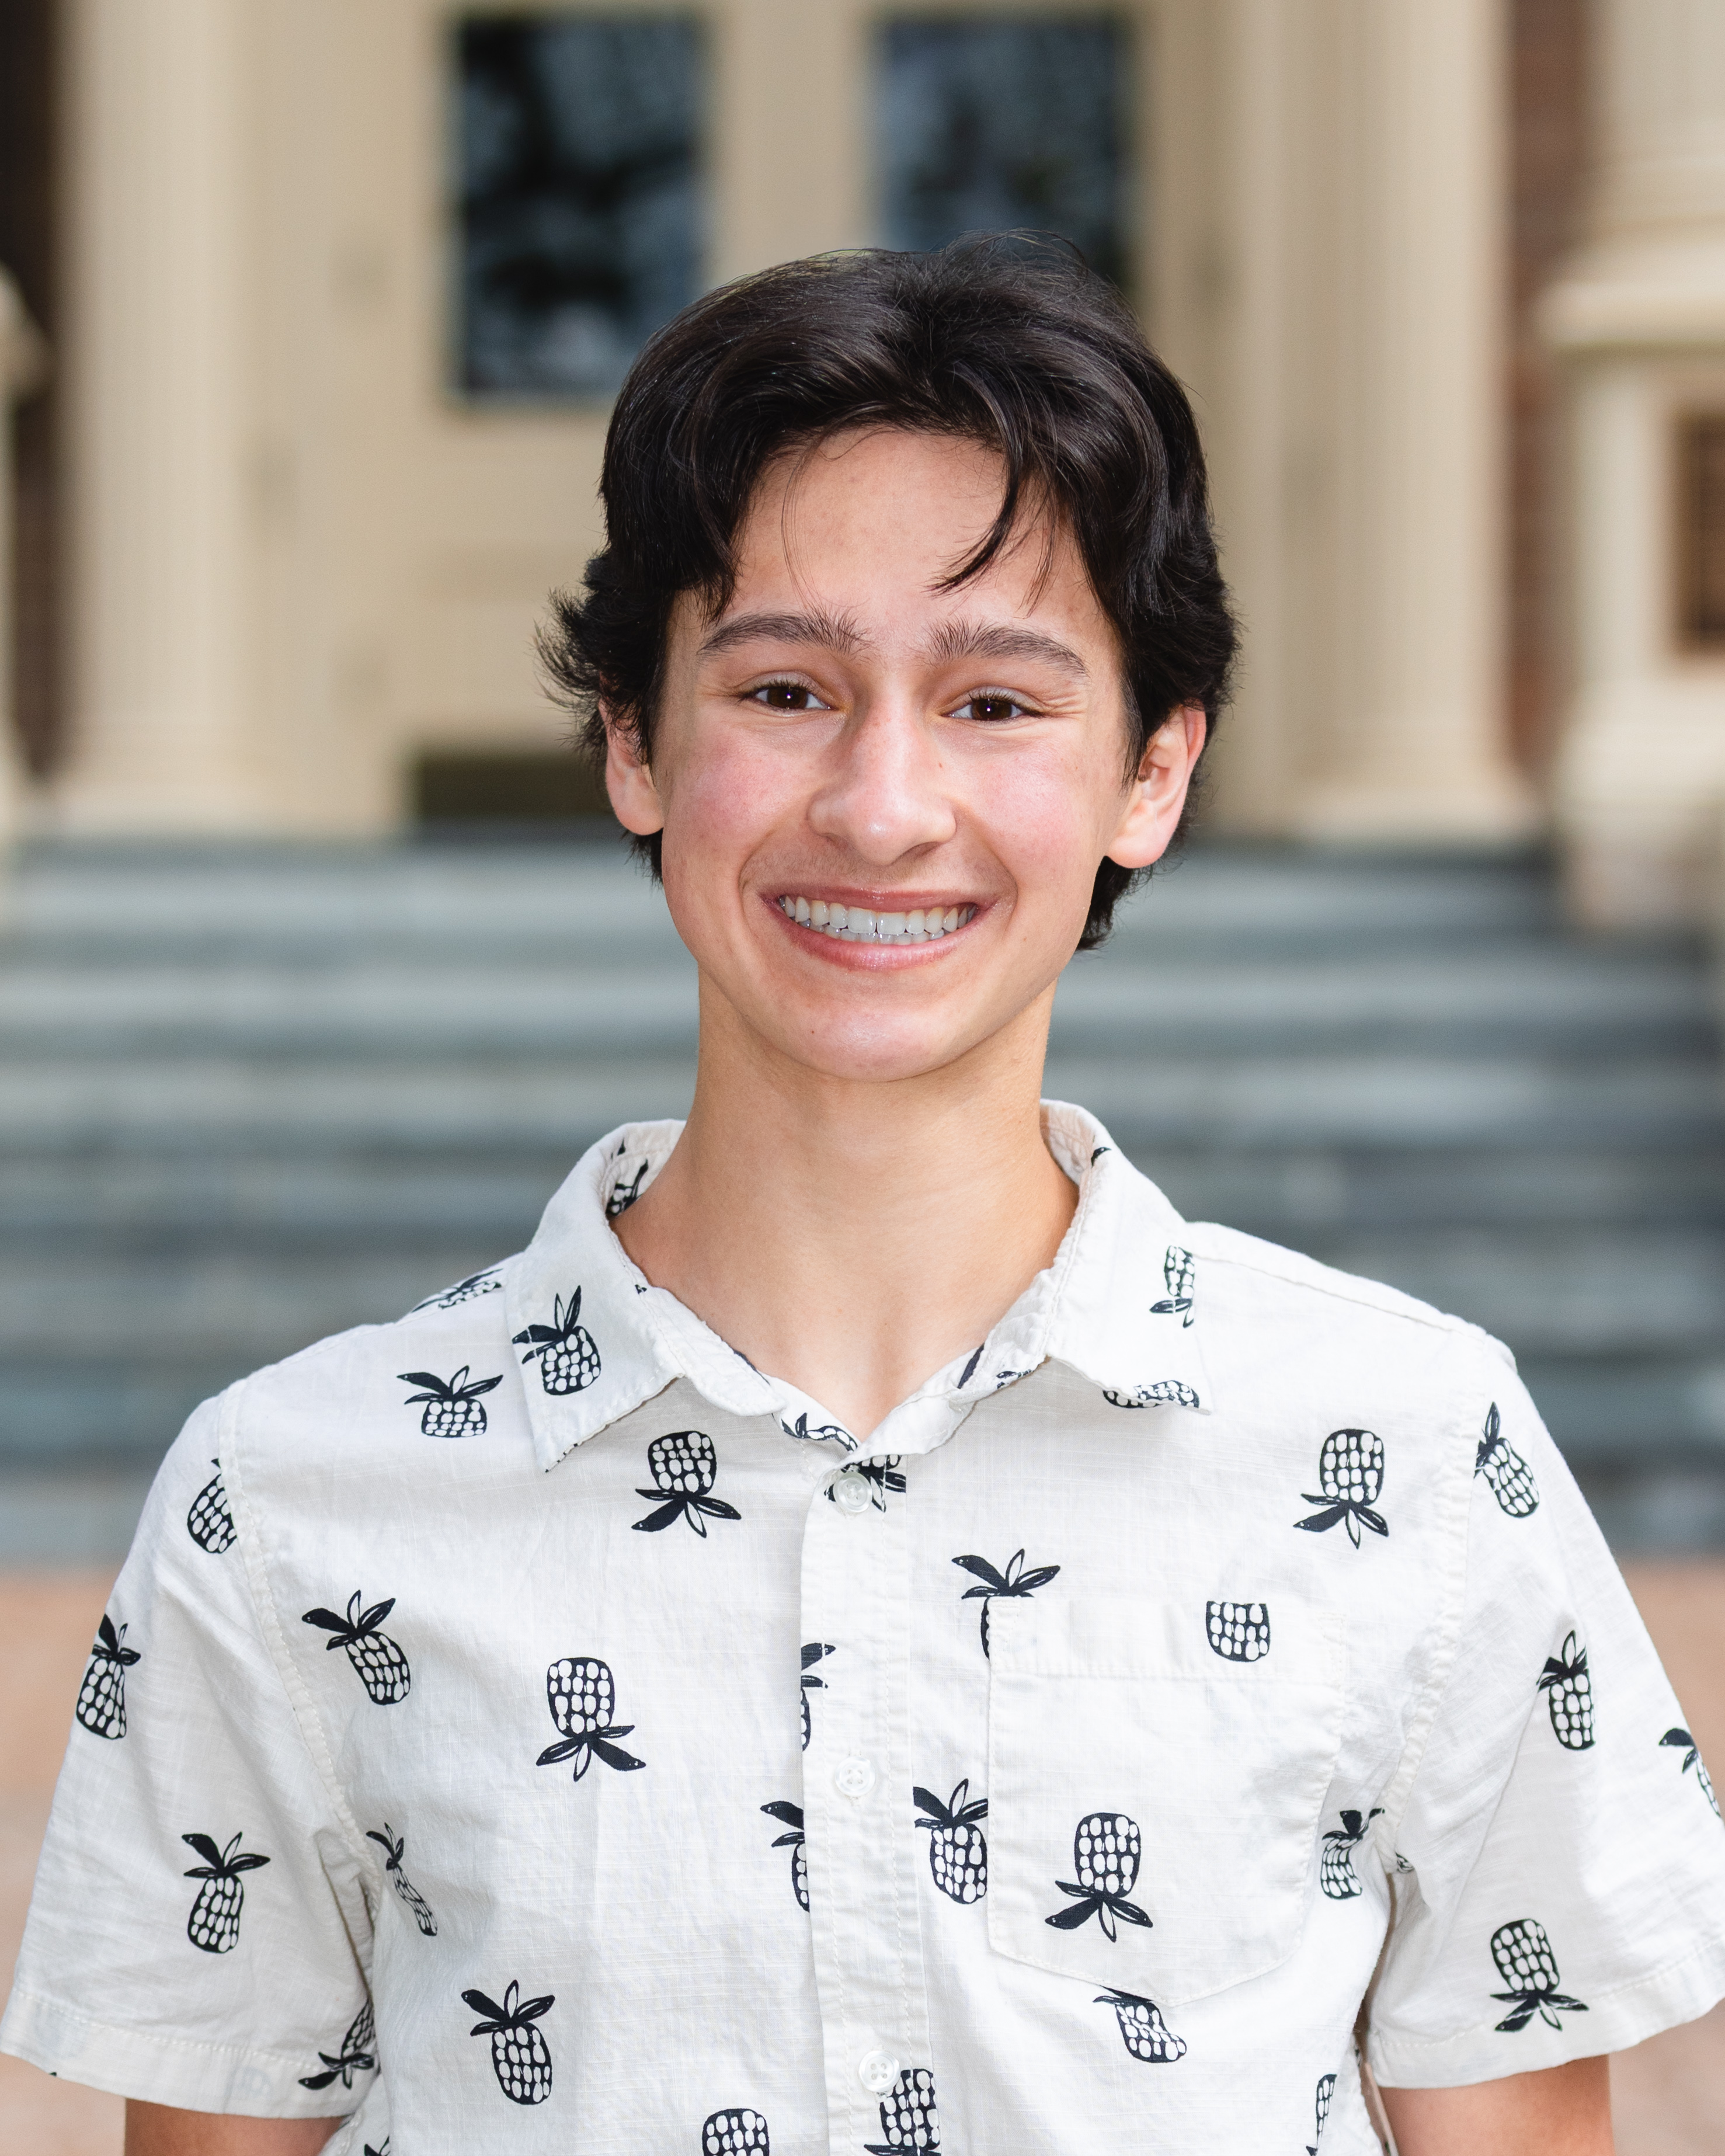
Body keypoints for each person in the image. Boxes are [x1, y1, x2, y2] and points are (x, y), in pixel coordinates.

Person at [5, 241, 1722, 2156]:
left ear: (1151, 772)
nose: (884, 804)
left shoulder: (1410, 1453)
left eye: (996, 703)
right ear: (634, 744)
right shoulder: (288, 1501)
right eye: (788, 687)